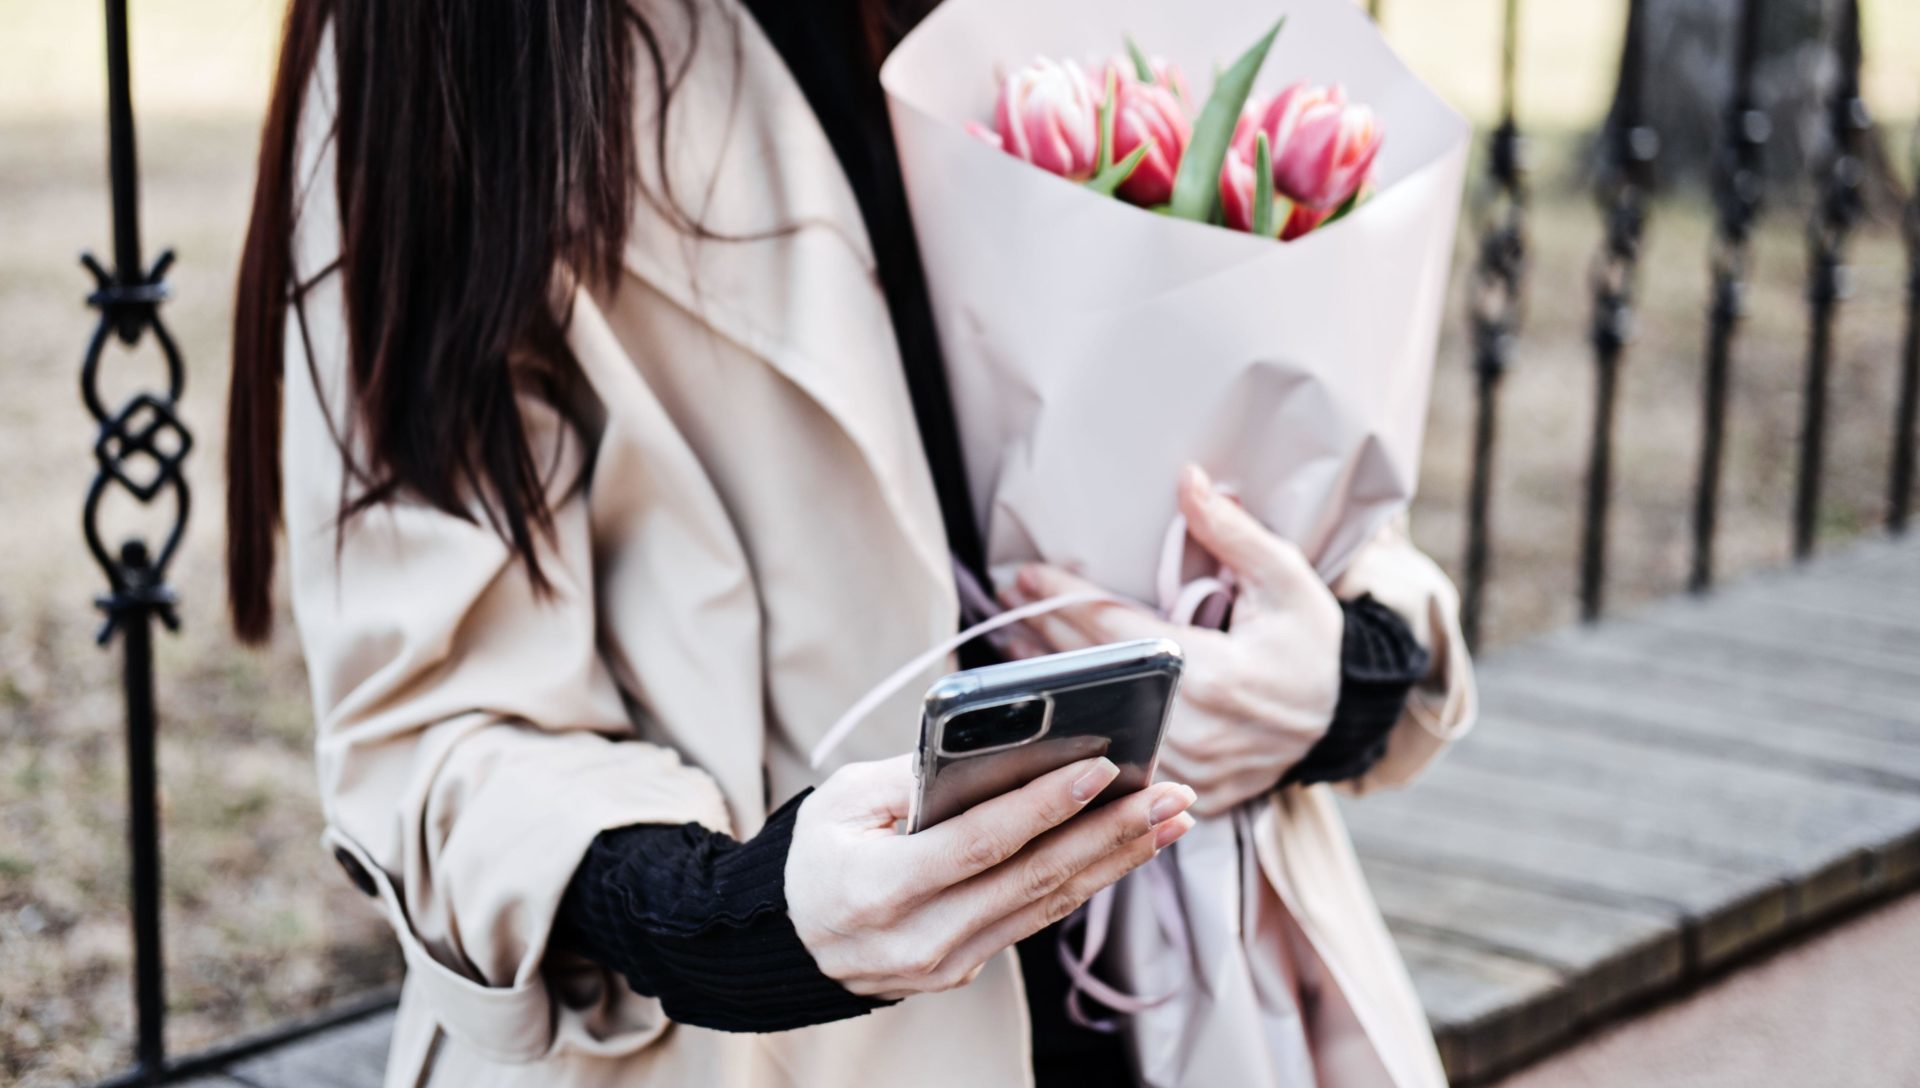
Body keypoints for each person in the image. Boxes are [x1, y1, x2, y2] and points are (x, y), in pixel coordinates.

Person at [225, 1, 1476, 1085]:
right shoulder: (467, 46)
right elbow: (434, 730)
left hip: (1197, 997)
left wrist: (1337, 675)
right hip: (745, 1050)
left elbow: (1297, 486)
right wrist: (739, 915)